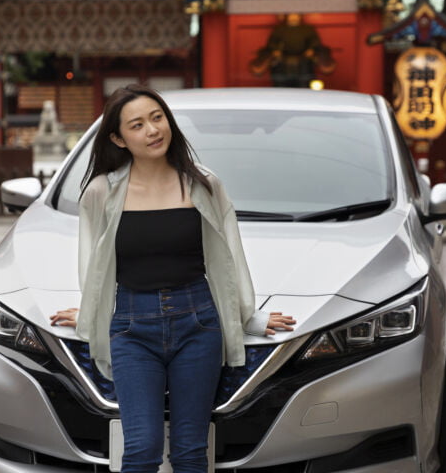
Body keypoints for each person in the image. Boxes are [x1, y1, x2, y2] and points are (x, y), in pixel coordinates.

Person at [49, 84, 296, 473]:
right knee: (142, 449)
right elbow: (94, 267)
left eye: (157, 117)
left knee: (190, 451)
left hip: (198, 322)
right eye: (138, 124)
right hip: (131, 327)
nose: (152, 130)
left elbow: (229, 260)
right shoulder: (101, 192)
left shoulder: (203, 184)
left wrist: (251, 317)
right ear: (118, 138)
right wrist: (90, 313)